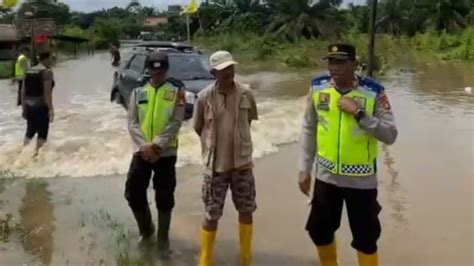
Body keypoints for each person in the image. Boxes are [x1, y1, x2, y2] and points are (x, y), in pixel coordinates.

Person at [298, 44, 398, 266]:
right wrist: (304, 168)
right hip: (326, 177)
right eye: (330, 61)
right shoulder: (317, 87)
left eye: (341, 62)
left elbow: (390, 134)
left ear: (354, 63)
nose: (334, 67)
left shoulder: (373, 91)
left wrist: (360, 113)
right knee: (318, 231)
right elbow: (308, 128)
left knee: (366, 238)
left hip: (361, 181)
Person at [193, 51, 258, 266]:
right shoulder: (203, 97)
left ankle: (246, 256)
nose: (229, 73)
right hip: (216, 167)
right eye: (223, 70)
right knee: (212, 214)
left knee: (246, 210)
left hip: (242, 165)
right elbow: (198, 127)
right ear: (213, 72)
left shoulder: (247, 93)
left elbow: (248, 122)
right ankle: (205, 258)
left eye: (230, 68)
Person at [125, 52, 185, 254]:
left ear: (166, 70)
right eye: (153, 70)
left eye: (161, 71)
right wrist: (144, 146)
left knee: (165, 196)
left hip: (165, 153)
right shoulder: (138, 90)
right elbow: (132, 122)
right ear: (148, 70)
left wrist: (157, 145)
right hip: (141, 152)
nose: (157, 74)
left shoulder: (177, 90)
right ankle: (147, 230)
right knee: (133, 192)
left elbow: (177, 121)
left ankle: (163, 238)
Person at [22, 51, 55, 154]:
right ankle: (37, 158)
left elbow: (23, 91)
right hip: (41, 107)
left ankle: (23, 153)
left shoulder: (29, 71)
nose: (52, 60)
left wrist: (24, 108)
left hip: (29, 107)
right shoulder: (47, 72)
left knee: (29, 133)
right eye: (51, 58)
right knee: (42, 134)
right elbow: (47, 93)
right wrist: (50, 109)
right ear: (47, 59)